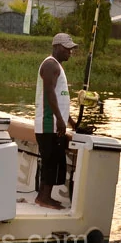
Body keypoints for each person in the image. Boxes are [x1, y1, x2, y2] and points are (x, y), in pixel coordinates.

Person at [34, 32, 79, 209]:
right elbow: (49, 94)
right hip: (47, 124)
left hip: (53, 123)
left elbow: (60, 99)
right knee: (50, 162)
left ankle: (43, 197)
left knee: (53, 161)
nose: (70, 52)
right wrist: (60, 121)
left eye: (71, 49)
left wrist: (72, 123)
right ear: (57, 47)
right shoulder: (51, 65)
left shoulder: (56, 66)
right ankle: (44, 198)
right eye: (67, 49)